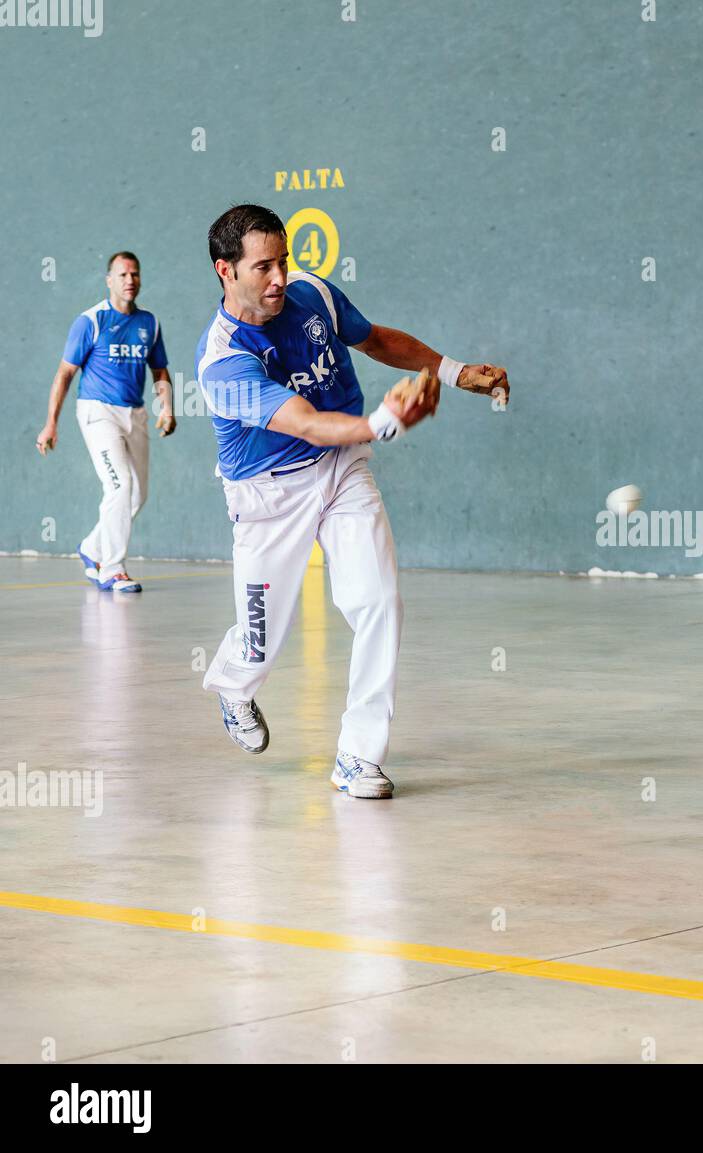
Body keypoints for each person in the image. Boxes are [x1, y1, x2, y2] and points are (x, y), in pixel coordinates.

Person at [196, 204, 507, 798]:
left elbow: (375, 339)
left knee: (379, 601)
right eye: (263, 267)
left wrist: (455, 370)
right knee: (261, 644)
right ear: (225, 271)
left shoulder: (310, 293)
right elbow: (308, 423)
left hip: (341, 471)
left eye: (282, 261)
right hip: (269, 497)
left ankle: (358, 756)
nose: (279, 277)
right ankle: (235, 686)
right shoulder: (222, 362)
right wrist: (384, 422)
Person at [36, 252, 175, 592]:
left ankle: (92, 547)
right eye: (123, 274)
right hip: (98, 412)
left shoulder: (149, 324)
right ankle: (111, 568)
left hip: (135, 413)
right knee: (118, 486)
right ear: (109, 280)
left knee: (138, 494)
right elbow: (65, 373)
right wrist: (50, 423)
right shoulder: (90, 321)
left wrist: (167, 407)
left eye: (135, 274)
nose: (130, 280)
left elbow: (159, 370)